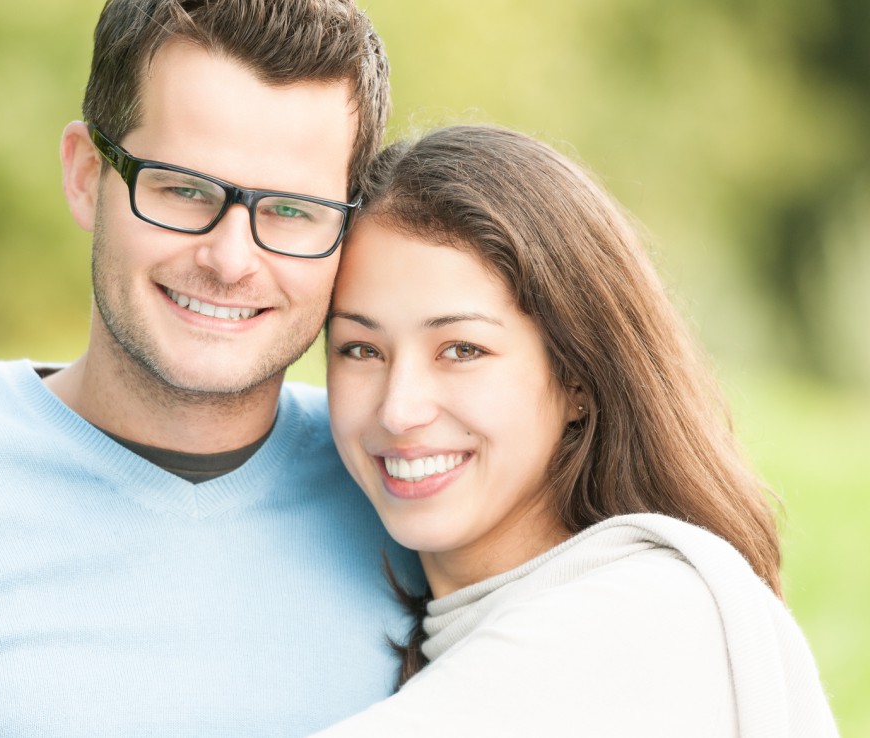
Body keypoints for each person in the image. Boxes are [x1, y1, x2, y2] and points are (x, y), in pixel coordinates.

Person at [0, 1, 419, 735]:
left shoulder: (411, 495)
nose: (231, 260)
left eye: (290, 210)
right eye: (182, 189)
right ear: (87, 175)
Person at [316, 125, 839, 737]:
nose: (397, 411)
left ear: (578, 380)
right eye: (359, 349)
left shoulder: (646, 616)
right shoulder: (472, 633)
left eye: (461, 349)